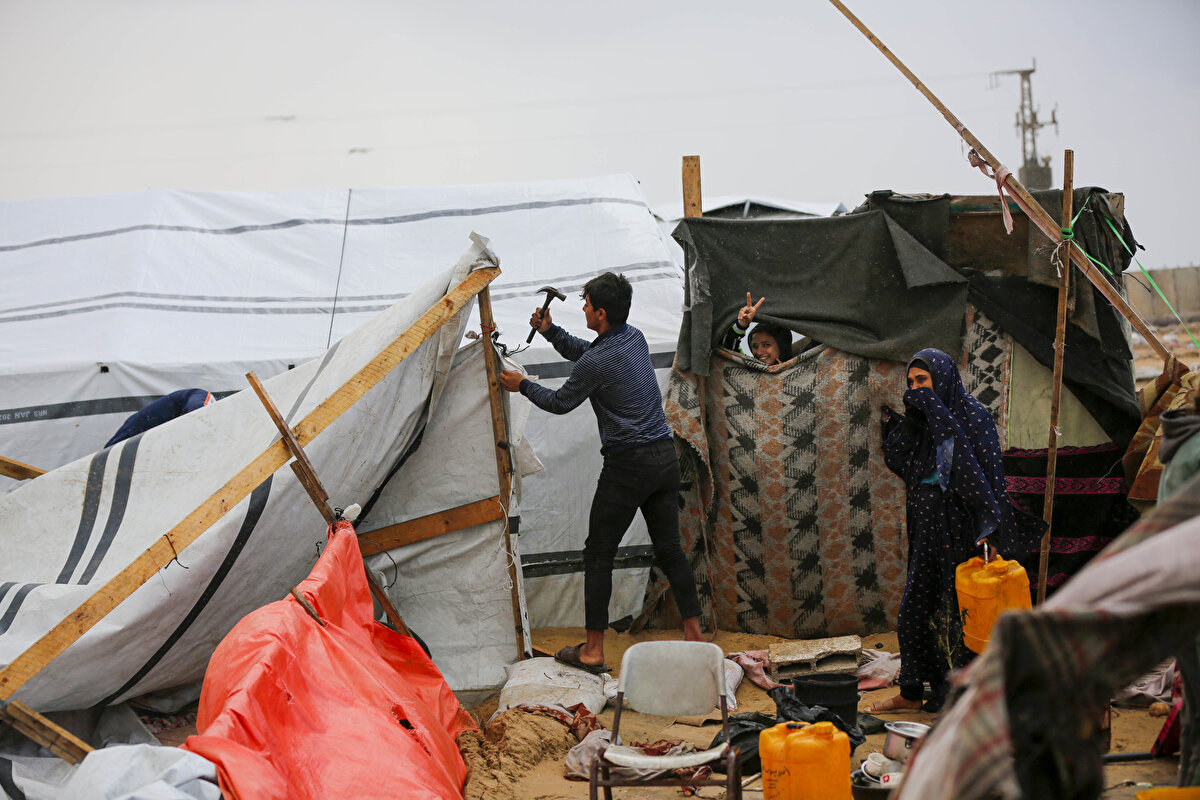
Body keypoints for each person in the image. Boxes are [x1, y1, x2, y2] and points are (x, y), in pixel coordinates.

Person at [498, 272, 704, 673]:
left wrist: (521, 384)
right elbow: (588, 354)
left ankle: (593, 650)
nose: (583, 309)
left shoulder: (598, 360)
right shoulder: (634, 338)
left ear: (602, 313)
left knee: (598, 554)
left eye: (587, 305)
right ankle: (695, 637)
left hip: (629, 465)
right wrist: (551, 332)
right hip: (663, 457)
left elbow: (560, 402)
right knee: (670, 550)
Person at [869, 348, 1045, 713]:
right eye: (911, 382)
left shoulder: (973, 416)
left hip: (962, 525)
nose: (916, 389)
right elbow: (898, 458)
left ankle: (962, 696)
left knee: (958, 611)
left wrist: (990, 531)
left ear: (943, 379)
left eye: (923, 381)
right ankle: (911, 692)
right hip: (924, 521)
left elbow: (990, 477)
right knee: (915, 608)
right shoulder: (920, 420)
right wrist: (912, 419)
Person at [106, 388, 214, 447]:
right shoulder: (201, 400)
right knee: (110, 452)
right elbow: (199, 417)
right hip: (140, 425)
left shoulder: (204, 404)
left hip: (146, 424)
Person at [721, 292, 794, 367]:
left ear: (782, 346)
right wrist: (741, 326)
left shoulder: (799, 369)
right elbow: (727, 349)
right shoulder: (746, 368)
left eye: (766, 345)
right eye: (755, 346)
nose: (759, 352)